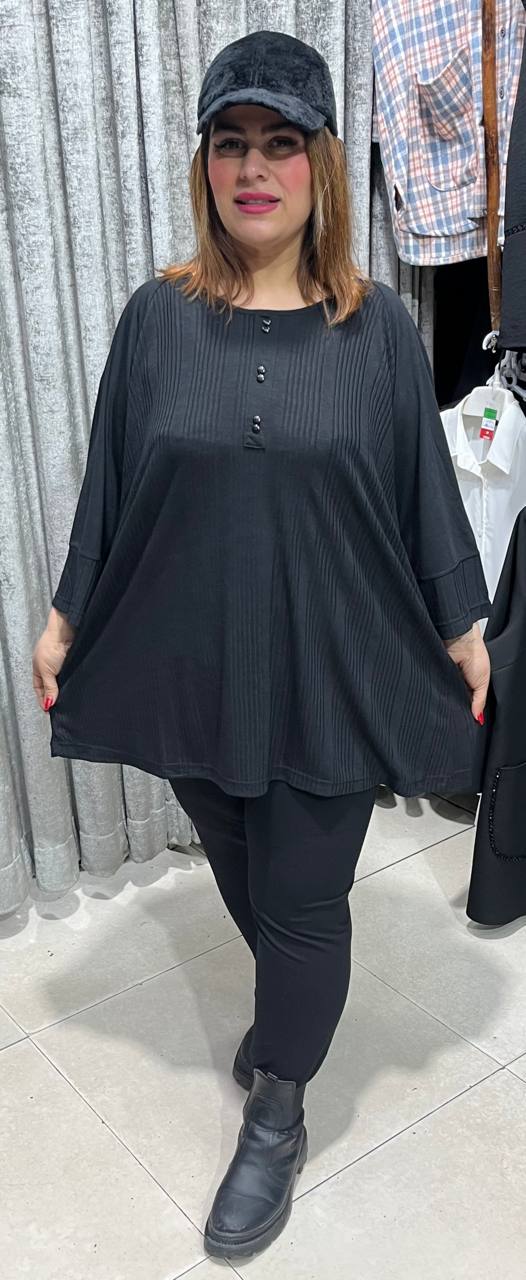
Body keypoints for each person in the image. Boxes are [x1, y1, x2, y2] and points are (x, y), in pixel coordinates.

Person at [32, 29, 492, 1262]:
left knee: (299, 895)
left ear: (320, 165)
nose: (253, 168)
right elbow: (110, 490)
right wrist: (67, 615)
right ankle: (290, 1009)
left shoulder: (375, 329)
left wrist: (462, 628)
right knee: (240, 856)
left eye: (280, 143)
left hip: (335, 654)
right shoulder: (156, 319)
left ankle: (277, 1107)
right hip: (189, 654)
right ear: (205, 163)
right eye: (231, 142)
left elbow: (423, 496)